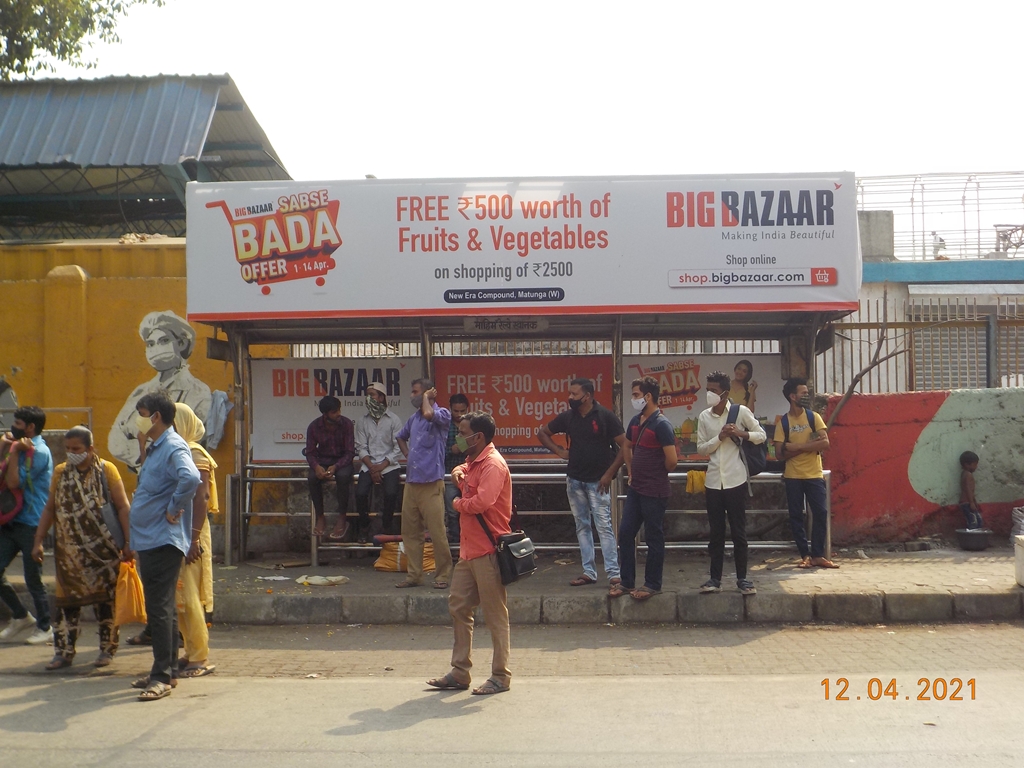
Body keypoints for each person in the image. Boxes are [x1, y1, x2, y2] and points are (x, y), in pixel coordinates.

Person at [30, 426, 131, 669]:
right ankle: (64, 652)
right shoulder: (61, 472)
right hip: (70, 553)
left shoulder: (107, 470)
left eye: (76, 449)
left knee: (106, 602)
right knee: (66, 605)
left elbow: (123, 507)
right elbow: (50, 509)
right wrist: (38, 541)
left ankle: (107, 650)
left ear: (90, 448)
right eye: (67, 449)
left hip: (103, 551)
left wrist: (129, 543)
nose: (71, 453)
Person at [426, 411, 512, 695]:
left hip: (487, 551)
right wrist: (459, 474)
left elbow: (482, 502)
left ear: (479, 437)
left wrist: (457, 503)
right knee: (459, 607)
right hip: (469, 551)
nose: (459, 438)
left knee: (495, 615)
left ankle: (500, 675)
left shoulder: (493, 465)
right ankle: (460, 671)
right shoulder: (475, 462)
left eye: (463, 433)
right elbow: (464, 475)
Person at [128, 391, 200, 701]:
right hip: (150, 538)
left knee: (157, 608)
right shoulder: (155, 447)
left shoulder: (172, 445)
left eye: (141, 412)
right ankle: (168, 670)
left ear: (156, 416)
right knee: (165, 608)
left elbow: (191, 477)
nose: (138, 418)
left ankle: (159, 676)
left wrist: (173, 508)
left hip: (162, 539)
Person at [539, 377, 625, 588]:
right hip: (575, 479)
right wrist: (559, 451)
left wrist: (609, 474)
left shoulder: (605, 416)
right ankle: (589, 571)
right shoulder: (568, 417)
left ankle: (614, 573)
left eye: (574, 394)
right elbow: (542, 433)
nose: (570, 397)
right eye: (570, 393)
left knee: (604, 526)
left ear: (587, 396)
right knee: (582, 526)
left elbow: (625, 447)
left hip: (599, 482)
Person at [108, 311, 212, 471]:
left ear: (182, 343)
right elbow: (114, 441)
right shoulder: (140, 391)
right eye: (150, 344)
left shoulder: (197, 391)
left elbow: (181, 438)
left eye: (164, 340)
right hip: (145, 475)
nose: (156, 348)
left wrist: (142, 443)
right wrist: (146, 450)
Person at [696, 371, 765, 595]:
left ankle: (743, 578)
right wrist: (720, 437)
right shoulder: (704, 417)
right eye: (708, 389)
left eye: (713, 391)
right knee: (716, 532)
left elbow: (761, 435)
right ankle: (714, 579)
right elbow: (701, 448)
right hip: (714, 480)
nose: (709, 394)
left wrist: (740, 433)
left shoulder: (740, 411)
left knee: (739, 531)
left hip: (736, 479)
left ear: (724, 393)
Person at [612, 377, 678, 601]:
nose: (634, 399)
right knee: (626, 533)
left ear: (648, 397)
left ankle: (652, 583)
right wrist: (632, 470)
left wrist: (655, 473)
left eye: (637, 395)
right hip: (636, 489)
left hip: (655, 490)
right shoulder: (634, 421)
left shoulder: (662, 425)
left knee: (653, 537)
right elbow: (627, 445)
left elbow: (672, 460)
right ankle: (627, 581)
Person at [0, 406, 54, 645]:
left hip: (32, 522)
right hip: (11, 520)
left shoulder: (39, 451)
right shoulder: (20, 447)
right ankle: (21, 616)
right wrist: (4, 447)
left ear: (31, 427)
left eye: (19, 423)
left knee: (33, 579)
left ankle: (45, 627)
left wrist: (12, 449)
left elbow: (13, 480)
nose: (14, 427)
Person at [773, 378, 838, 569]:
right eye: (803, 393)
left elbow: (825, 443)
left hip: (814, 474)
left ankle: (818, 554)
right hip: (793, 476)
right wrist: (810, 446)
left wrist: (798, 446)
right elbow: (779, 453)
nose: (806, 396)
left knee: (821, 512)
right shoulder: (783, 423)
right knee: (796, 516)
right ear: (792, 397)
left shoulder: (813, 417)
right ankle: (805, 555)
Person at [395, 379, 454, 590]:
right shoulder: (413, 419)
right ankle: (414, 575)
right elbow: (400, 437)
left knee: (437, 533)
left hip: (431, 482)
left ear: (429, 393)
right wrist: (407, 454)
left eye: (415, 392)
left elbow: (430, 414)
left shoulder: (442, 414)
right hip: (412, 482)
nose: (412, 395)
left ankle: (443, 575)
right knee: (411, 533)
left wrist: (428, 399)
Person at [173, 404, 217, 678]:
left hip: (192, 531)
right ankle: (189, 651)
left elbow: (202, 498)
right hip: (179, 530)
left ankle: (199, 657)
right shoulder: (175, 450)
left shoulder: (194, 452)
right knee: (180, 597)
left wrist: (194, 539)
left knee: (190, 597)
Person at [354, 381, 404, 542]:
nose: (368, 398)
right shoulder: (362, 421)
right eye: (367, 395)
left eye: (372, 395)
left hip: (389, 466)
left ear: (381, 398)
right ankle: (364, 526)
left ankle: (386, 526)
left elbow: (398, 447)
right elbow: (360, 447)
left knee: (391, 493)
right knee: (360, 493)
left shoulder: (393, 419)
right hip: (368, 466)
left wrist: (382, 466)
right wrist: (371, 467)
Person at [304, 396, 355, 539]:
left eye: (339, 410)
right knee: (312, 478)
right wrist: (316, 467)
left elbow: (350, 452)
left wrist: (336, 466)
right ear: (325, 414)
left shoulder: (346, 424)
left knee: (343, 476)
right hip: (323, 460)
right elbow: (310, 452)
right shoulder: (314, 426)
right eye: (334, 412)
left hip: (342, 461)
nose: (338, 413)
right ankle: (320, 517)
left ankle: (342, 517)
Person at [443, 393, 470, 545]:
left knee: (470, 510)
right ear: (450, 410)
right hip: (449, 474)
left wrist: (467, 447)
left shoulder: (474, 425)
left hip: (470, 474)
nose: (459, 415)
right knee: (452, 511)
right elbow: (438, 450)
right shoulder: (445, 426)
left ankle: (469, 544)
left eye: (463, 411)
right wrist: (451, 450)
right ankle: (456, 545)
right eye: (456, 411)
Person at [959, 451, 983, 529]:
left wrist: (974, 501)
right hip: (967, 503)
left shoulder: (964, 474)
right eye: (975, 464)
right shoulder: (968, 475)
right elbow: (968, 488)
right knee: (974, 523)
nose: (976, 466)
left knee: (977, 521)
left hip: (968, 502)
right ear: (967, 464)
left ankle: (975, 538)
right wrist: (971, 503)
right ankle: (971, 539)